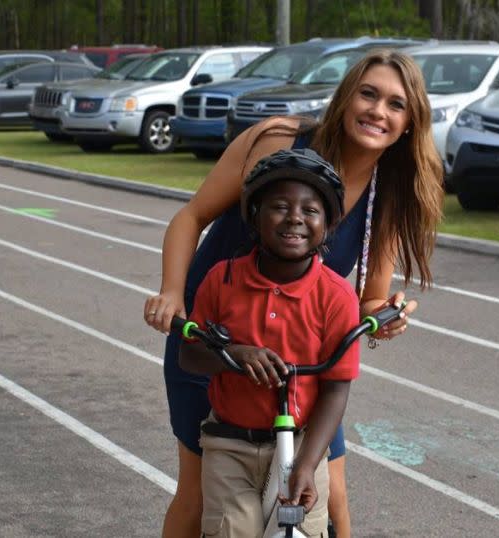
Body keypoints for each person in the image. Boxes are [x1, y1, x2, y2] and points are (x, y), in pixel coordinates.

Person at [145, 48, 444, 538]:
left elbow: (370, 298)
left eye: (396, 104)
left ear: (410, 122)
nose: (377, 111)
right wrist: (173, 294)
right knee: (200, 496)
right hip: (217, 346)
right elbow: (191, 216)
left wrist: (386, 314)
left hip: (300, 363)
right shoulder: (278, 142)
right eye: (368, 94)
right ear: (346, 97)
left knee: (333, 496)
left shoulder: (387, 192)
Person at [179, 148, 360, 537]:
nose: (295, 217)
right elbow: (189, 354)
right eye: (280, 206)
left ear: (327, 225)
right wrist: (234, 355)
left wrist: (309, 466)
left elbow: (336, 387)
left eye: (311, 210)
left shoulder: (336, 296)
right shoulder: (222, 279)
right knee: (233, 531)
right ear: (254, 215)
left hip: (301, 446)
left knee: (299, 532)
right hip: (230, 446)